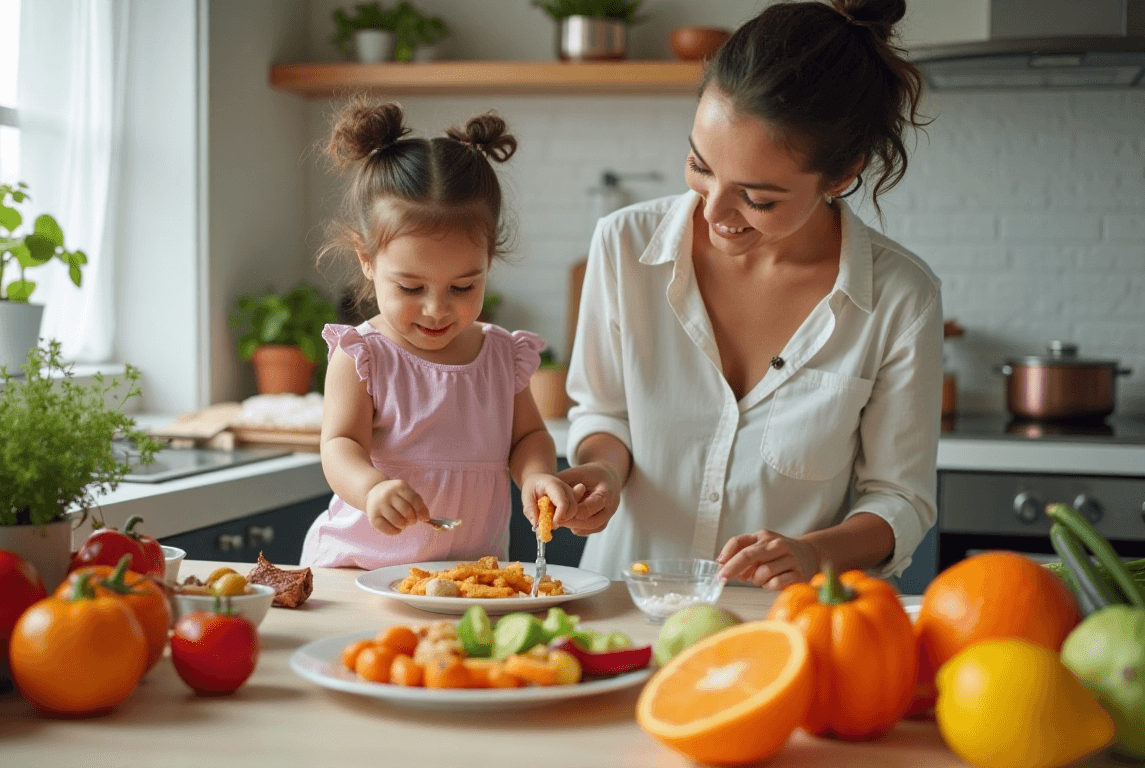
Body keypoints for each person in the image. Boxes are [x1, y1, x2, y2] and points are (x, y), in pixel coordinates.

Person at [555, 0, 943, 588]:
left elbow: (900, 500)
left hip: (785, 630)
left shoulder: (899, 298)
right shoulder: (624, 246)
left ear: (840, 177)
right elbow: (605, 411)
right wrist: (601, 472)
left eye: (757, 199)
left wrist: (814, 553)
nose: (712, 211)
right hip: (626, 608)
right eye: (698, 164)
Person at [300, 99, 578, 570]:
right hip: (359, 568)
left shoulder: (500, 356)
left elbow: (528, 435)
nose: (436, 309)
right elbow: (339, 445)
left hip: (468, 576)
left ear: (489, 260)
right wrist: (371, 489)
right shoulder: (363, 354)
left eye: (463, 286)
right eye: (411, 286)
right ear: (366, 259)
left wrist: (536, 476)